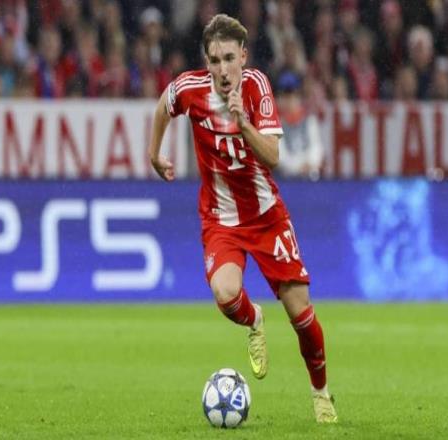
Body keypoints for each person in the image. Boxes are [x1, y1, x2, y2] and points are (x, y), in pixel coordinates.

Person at [147, 14, 337, 424]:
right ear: (207, 61)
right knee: (225, 294)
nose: (222, 69)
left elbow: (273, 156)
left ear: (243, 57)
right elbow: (163, 104)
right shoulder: (190, 89)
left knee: (301, 314)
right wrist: (154, 154)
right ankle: (255, 319)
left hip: (266, 217)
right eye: (214, 60)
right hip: (221, 218)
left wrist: (243, 124)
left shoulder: (257, 87)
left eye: (229, 59)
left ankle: (321, 393)